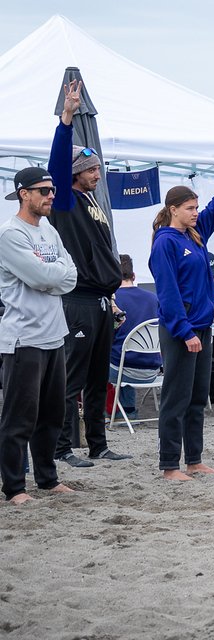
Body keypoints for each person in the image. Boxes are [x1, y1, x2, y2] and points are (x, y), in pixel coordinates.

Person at [149, 144, 214, 481]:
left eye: (196, 207)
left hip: (203, 328)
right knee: (175, 399)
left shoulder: (195, 235)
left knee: (197, 398)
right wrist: (185, 332)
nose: (196, 212)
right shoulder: (165, 242)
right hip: (182, 331)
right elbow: (167, 294)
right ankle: (169, 466)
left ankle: (194, 460)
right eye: (190, 208)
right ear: (173, 209)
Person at [48, 81, 129, 467]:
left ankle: (97, 444)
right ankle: (63, 448)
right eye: (91, 168)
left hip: (100, 301)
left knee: (100, 378)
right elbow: (57, 165)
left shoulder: (93, 201)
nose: (98, 173)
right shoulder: (64, 200)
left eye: (99, 167)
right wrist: (67, 119)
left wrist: (111, 296)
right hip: (77, 300)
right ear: (76, 173)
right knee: (72, 378)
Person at [0, 166, 79, 504]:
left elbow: (71, 275)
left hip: (53, 335)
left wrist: (53, 276)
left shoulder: (48, 229)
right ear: (24, 194)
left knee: (51, 416)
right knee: (19, 418)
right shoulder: (10, 234)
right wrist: (53, 276)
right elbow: (39, 278)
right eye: (44, 191)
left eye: (52, 191)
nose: (50, 196)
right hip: (23, 338)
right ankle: (15, 487)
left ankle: (47, 478)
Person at [109, 254, 161, 420]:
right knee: (124, 353)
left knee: (105, 356)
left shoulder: (112, 302)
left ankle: (113, 412)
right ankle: (129, 409)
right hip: (153, 370)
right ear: (134, 276)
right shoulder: (153, 298)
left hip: (123, 370)